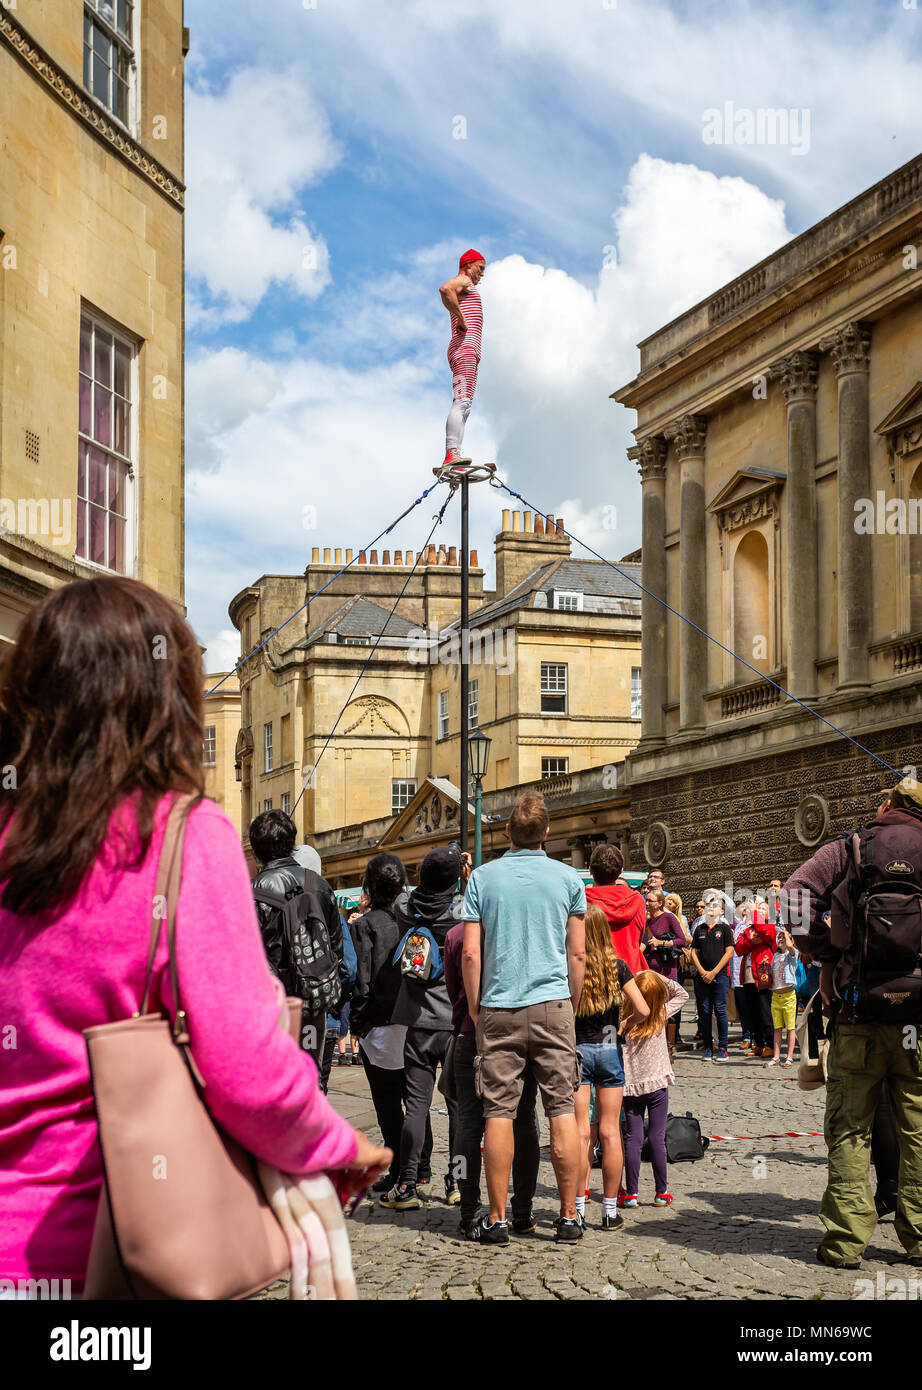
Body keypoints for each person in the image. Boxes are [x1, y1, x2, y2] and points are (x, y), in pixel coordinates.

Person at [0, 576, 390, 1296]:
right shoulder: (181, 833)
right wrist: (339, 1146)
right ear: (167, 698)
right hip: (95, 1258)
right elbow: (246, 1071)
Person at [783, 775, 922, 1269]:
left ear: (889, 804)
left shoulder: (855, 847)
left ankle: (844, 1244)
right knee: (918, 1130)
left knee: (849, 1130)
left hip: (856, 1012)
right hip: (918, 1022)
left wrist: (826, 954)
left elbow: (794, 897)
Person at [461, 790, 587, 1245]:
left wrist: (476, 1006)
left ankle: (496, 1219)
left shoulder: (482, 879)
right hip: (554, 1004)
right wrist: (569, 1003)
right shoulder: (569, 878)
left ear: (508, 831)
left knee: (498, 1110)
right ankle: (570, 1215)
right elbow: (578, 952)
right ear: (548, 834)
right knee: (562, 1108)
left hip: (499, 1005)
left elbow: (471, 953)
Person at [444, 913, 541, 1239]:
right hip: (517, 1033)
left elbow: (452, 988)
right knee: (524, 1120)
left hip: (470, 1033)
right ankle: (523, 1212)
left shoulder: (457, 934)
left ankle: (469, 1211)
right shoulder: (521, 931)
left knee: (466, 1125)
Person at [382, 845, 462, 1212]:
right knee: (459, 1107)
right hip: (454, 1020)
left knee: (416, 1105)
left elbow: (402, 894)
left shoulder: (406, 910)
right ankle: (457, 1181)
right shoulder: (461, 912)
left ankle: (408, 1183)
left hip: (417, 1022)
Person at [250, 808, 345, 1068]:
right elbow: (337, 947)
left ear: (256, 849)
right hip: (313, 1000)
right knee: (310, 1078)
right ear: (292, 843)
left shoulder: (253, 891)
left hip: (273, 1007)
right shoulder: (321, 886)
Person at [574, 905, 649, 1230]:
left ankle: (576, 1208)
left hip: (577, 1050)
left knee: (580, 1134)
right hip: (609, 1052)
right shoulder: (618, 968)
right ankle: (608, 1210)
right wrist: (623, 1026)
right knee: (610, 1131)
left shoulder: (572, 967)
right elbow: (645, 1009)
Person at [349, 852, 413, 1196]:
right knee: (415, 1099)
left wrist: (357, 1022)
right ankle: (419, 1166)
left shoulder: (364, 925)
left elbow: (361, 980)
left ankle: (402, 1165)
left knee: (387, 1104)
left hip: (378, 1021)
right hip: (411, 1018)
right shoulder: (411, 920)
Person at [619, 971, 688, 1208]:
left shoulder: (624, 1020)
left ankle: (632, 1194)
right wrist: (657, 975)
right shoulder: (660, 1014)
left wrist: (630, 980)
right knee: (658, 1137)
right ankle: (661, 1192)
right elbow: (682, 993)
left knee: (633, 1138)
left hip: (631, 1087)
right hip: (657, 1085)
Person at [439, 248, 485, 469]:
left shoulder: (469, 287)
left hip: (469, 350)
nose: (482, 274)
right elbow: (445, 289)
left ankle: (455, 454)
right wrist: (460, 318)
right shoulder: (463, 282)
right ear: (469, 265)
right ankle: (451, 454)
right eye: (480, 268)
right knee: (462, 402)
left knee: (464, 405)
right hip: (464, 348)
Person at [585, 842, 647, 973]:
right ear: (621, 871)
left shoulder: (582, 901)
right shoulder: (637, 900)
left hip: (595, 977)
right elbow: (639, 939)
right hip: (631, 975)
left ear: (590, 870)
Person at [689, 895, 735, 1061]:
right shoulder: (700, 929)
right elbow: (694, 952)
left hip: (720, 975)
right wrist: (702, 972)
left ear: (721, 911)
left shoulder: (724, 929)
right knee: (705, 1011)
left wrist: (714, 972)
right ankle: (708, 1047)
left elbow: (729, 952)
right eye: (709, 906)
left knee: (720, 1010)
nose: (711, 908)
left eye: (715, 906)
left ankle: (723, 1047)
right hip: (702, 976)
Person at [641, 889, 686, 1058]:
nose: (647, 903)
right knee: (651, 1006)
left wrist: (662, 942)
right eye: (646, 900)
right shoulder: (646, 920)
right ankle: (653, 1046)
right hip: (649, 969)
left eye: (650, 901)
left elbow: (681, 940)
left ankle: (668, 1047)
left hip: (666, 969)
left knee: (667, 1008)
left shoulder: (668, 918)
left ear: (660, 903)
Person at [735, 905, 777, 1060]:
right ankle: (758, 1043)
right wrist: (752, 942)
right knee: (752, 1012)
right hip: (748, 976)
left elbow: (767, 934)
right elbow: (739, 948)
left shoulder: (770, 927)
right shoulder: (747, 931)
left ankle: (770, 1045)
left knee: (765, 1011)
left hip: (762, 974)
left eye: (762, 910)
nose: (757, 913)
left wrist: (754, 914)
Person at [767, 926, 798, 1066]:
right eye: (778, 938)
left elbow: (790, 946)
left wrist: (785, 933)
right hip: (776, 996)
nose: (780, 939)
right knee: (777, 1028)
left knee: (790, 1028)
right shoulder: (775, 955)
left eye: (783, 938)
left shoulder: (792, 954)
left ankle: (789, 1057)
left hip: (788, 996)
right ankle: (776, 1056)